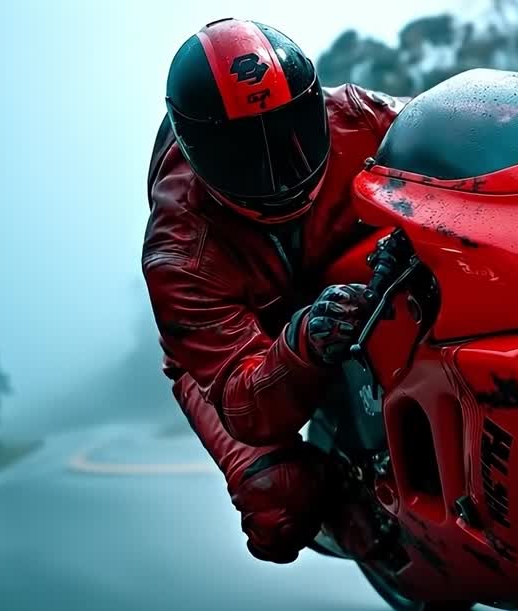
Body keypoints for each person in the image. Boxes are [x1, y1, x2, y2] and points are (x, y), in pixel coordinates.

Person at [143, 19, 403, 563]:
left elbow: (462, 139)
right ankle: (369, 530)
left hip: (344, 274)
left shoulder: (359, 114)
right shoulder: (179, 252)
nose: (276, 170)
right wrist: (305, 343)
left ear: (315, 106)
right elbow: (245, 404)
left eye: (291, 132)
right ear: (198, 152)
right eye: (241, 153)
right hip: (234, 357)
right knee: (277, 507)